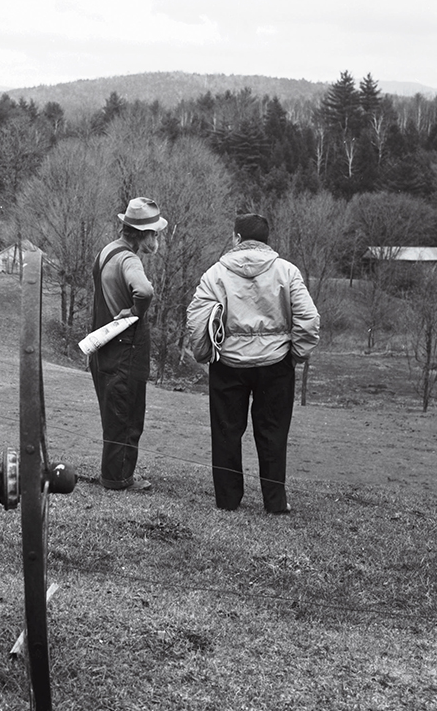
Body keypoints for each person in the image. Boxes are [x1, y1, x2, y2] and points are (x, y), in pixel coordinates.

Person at [186, 213, 319, 513]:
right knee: (273, 433)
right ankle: (274, 502)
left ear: (236, 238)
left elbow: (196, 322)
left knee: (226, 432)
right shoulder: (287, 272)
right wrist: (295, 354)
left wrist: (204, 354)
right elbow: (308, 321)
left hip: (229, 363)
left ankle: (228, 500)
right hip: (275, 364)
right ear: (266, 240)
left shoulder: (215, 274)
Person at [89, 197, 168, 492]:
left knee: (113, 414)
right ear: (142, 234)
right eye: (154, 233)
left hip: (103, 346)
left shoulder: (108, 250)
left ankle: (113, 473)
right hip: (125, 349)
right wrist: (135, 311)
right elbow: (144, 291)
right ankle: (119, 479)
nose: (156, 238)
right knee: (128, 414)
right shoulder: (129, 259)